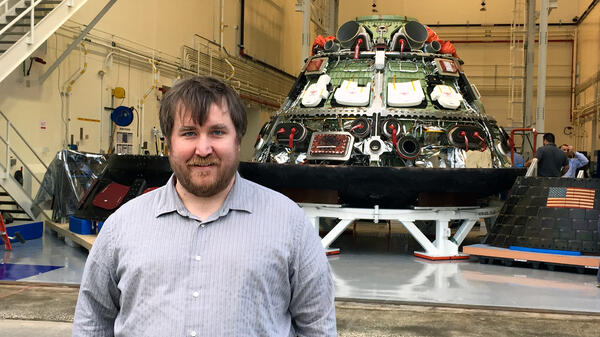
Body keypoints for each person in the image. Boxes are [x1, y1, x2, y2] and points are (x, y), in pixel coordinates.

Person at [73, 76, 337, 337]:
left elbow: (317, 326)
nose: (203, 148)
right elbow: (93, 321)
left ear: (238, 139)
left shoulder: (289, 224)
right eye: (189, 133)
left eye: (217, 132)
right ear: (169, 143)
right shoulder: (123, 226)